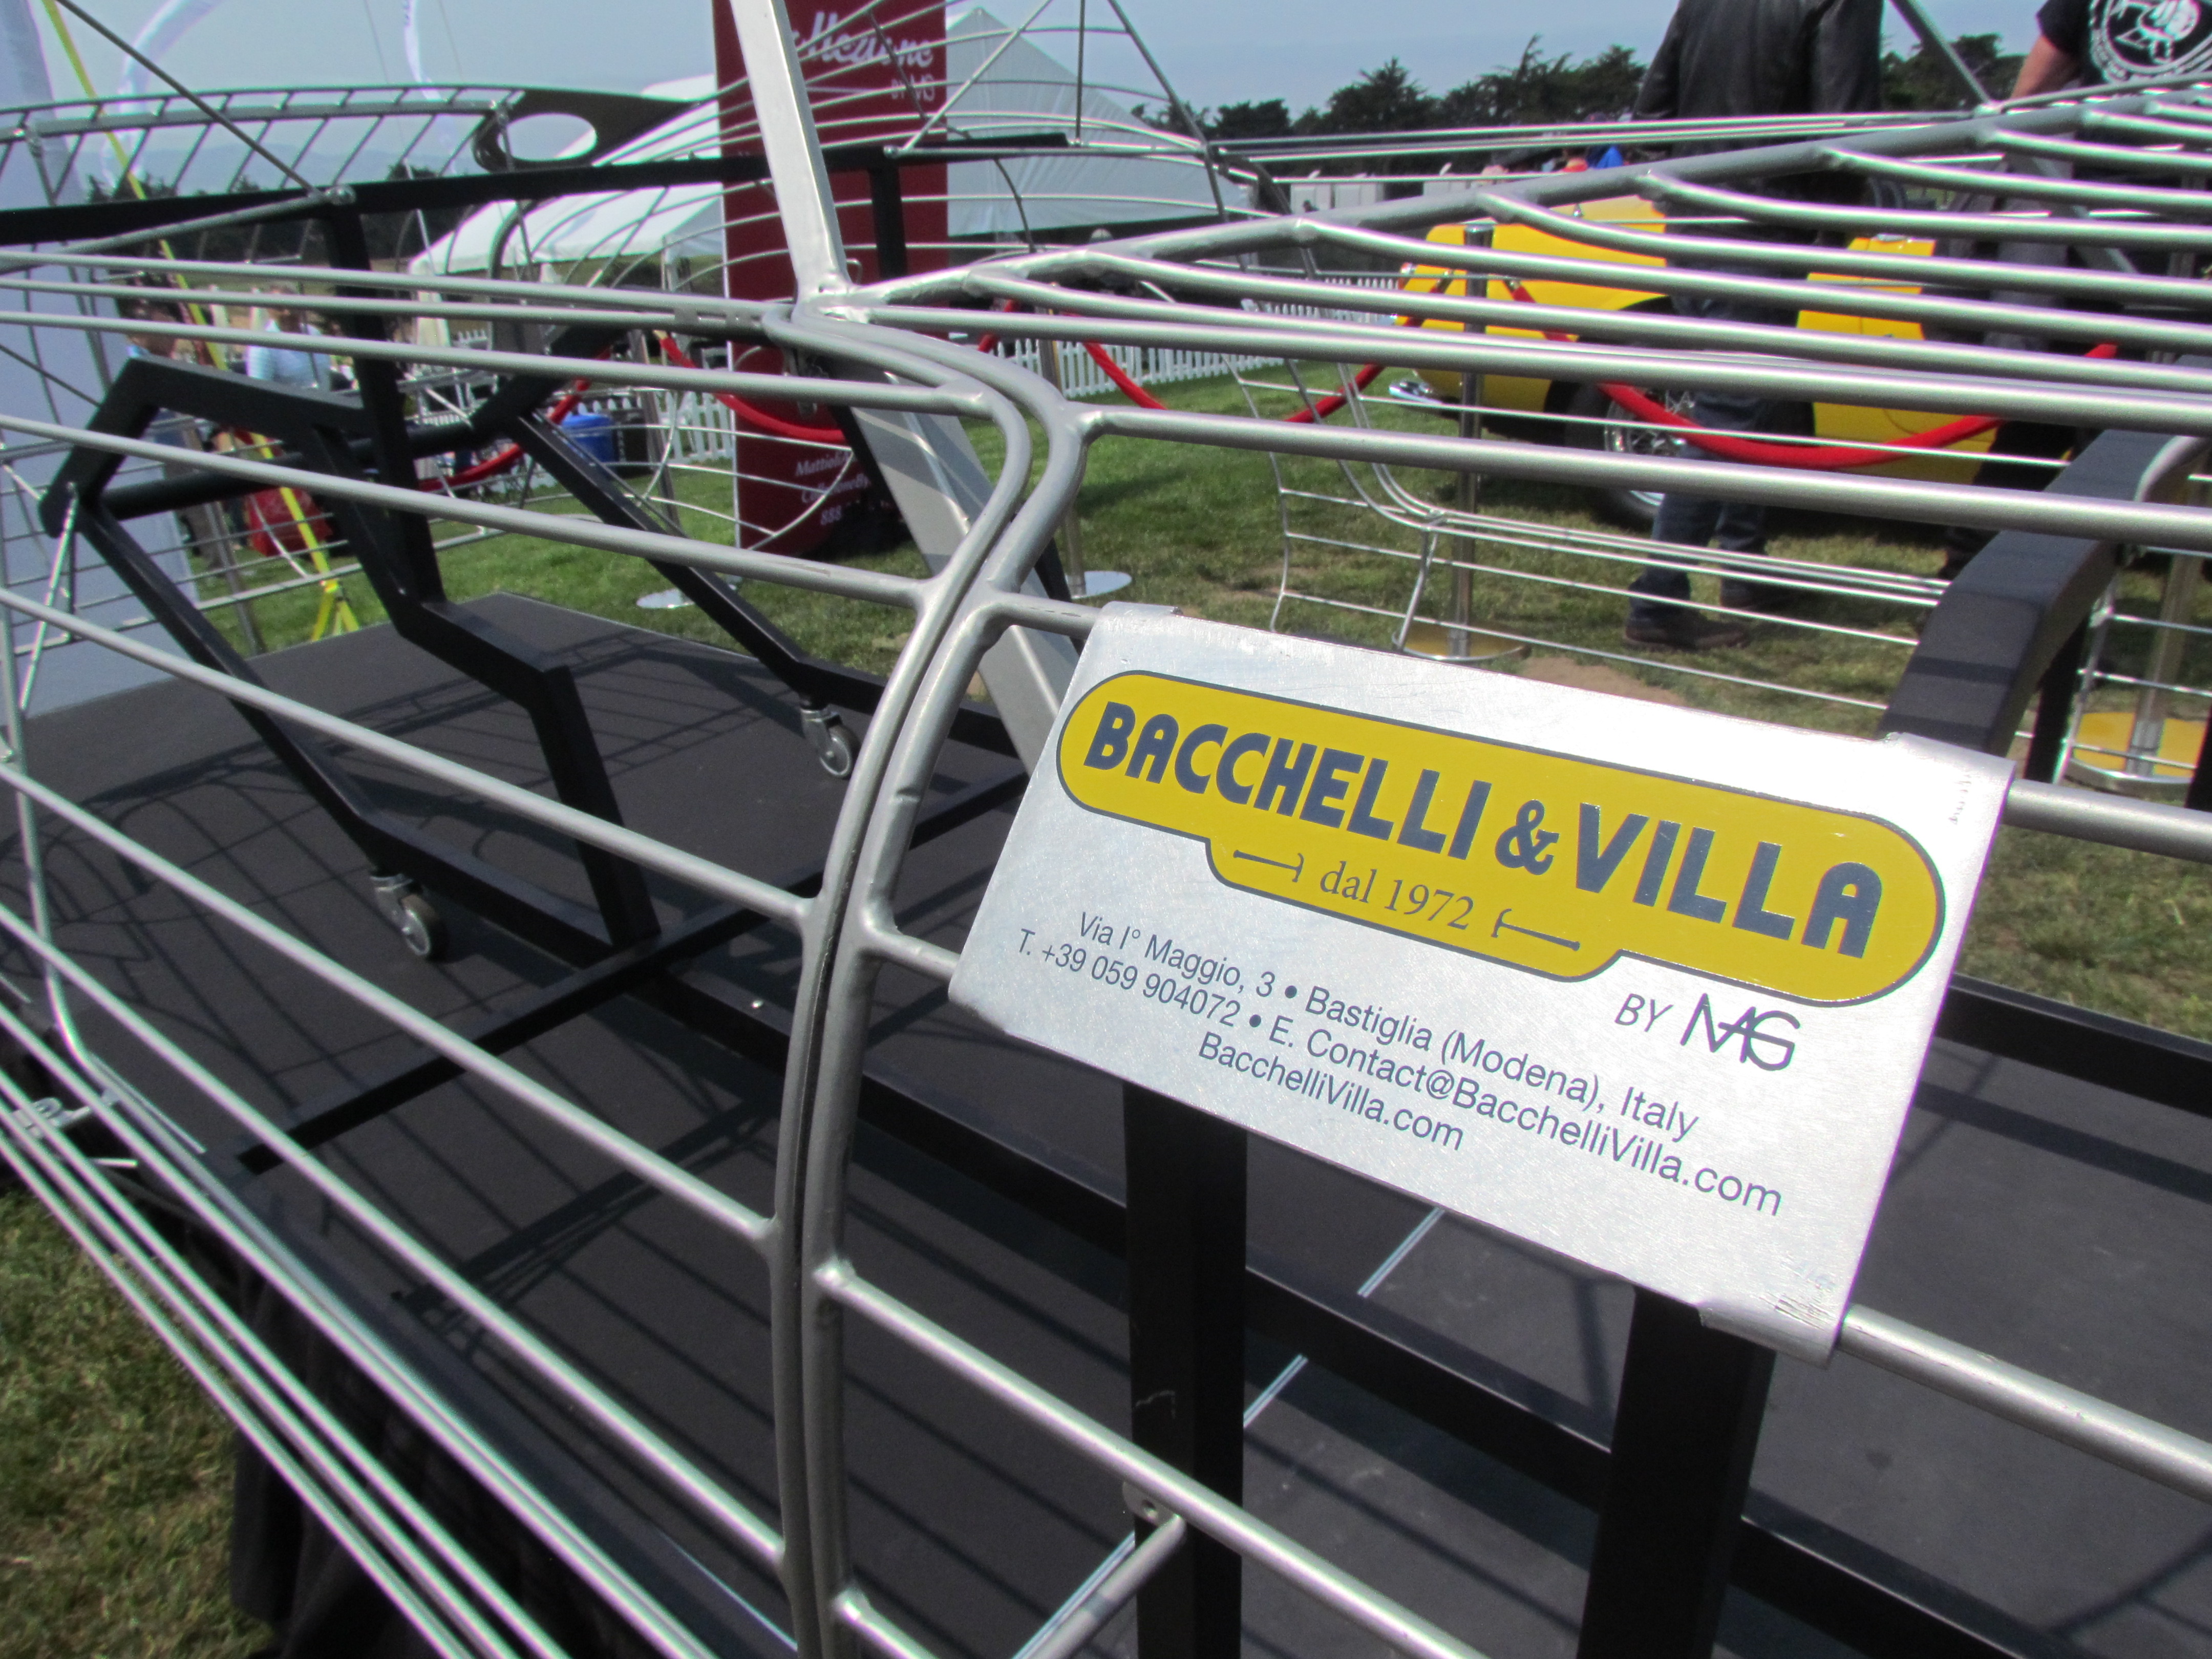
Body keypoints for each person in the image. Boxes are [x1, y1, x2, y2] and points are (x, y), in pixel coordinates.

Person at [1622, 0, 1884, 650]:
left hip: (1697, 222)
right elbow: (1846, 121)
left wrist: (1680, 193)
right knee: (1729, 413)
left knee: (1741, 403)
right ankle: (1658, 601)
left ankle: (1743, 568)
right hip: (1763, 226)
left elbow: (1649, 118)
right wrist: (1841, 222)